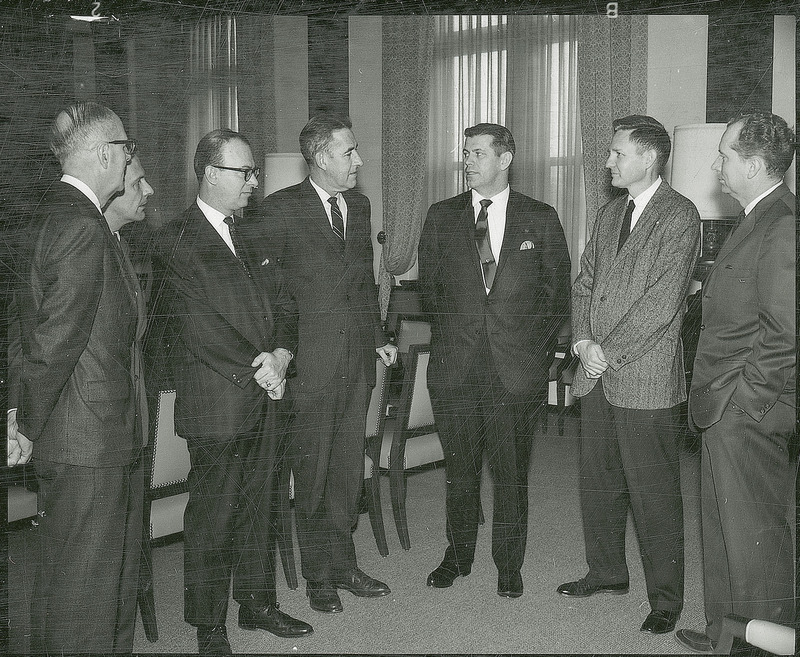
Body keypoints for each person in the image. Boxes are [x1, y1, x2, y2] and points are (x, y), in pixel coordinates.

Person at [152, 128, 312, 655]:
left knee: (262, 506)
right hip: (219, 401)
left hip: (268, 392)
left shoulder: (255, 233)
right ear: (209, 175)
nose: (254, 180)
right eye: (243, 172)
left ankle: (257, 605)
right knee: (215, 517)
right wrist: (258, 365)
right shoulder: (175, 238)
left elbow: (287, 305)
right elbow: (193, 324)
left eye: (252, 172)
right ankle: (209, 624)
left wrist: (283, 355)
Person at [243, 115, 397, 615]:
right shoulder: (280, 210)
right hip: (308, 365)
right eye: (349, 152)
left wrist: (376, 337)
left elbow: (363, 283)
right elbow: (268, 294)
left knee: (348, 472)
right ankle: (318, 576)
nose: (358, 161)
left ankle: (344, 563)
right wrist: (282, 356)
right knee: (312, 474)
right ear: (320, 157)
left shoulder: (359, 205)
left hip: (355, 363)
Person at [6, 101, 145, 653]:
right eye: (126, 148)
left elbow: (26, 332)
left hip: (70, 435)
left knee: (63, 585)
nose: (130, 157)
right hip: (86, 438)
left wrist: (20, 413)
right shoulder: (83, 226)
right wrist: (24, 425)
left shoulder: (46, 214)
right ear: (103, 154)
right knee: (85, 597)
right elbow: (55, 342)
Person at [558, 115, 700, 635]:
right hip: (596, 372)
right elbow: (584, 283)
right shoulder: (608, 212)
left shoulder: (680, 216)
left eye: (618, 153)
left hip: (644, 377)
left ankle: (666, 599)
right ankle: (607, 572)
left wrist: (605, 351)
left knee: (654, 493)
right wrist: (581, 343)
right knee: (599, 483)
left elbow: (662, 304)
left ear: (648, 158)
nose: (609, 161)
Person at [418, 123, 571, 599]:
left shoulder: (540, 217)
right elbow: (430, 292)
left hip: (514, 372)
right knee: (460, 473)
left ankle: (509, 562)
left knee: (510, 475)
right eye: (466, 152)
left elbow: (556, 295)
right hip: (456, 369)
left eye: (479, 153)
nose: (468, 161)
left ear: (506, 159)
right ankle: (458, 554)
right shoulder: (441, 216)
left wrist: (536, 358)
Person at [675, 112, 796, 654]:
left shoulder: (782, 222)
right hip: (725, 404)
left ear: (751, 164)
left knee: (756, 539)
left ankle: (761, 645)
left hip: (746, 406)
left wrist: (745, 402)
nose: (716, 162)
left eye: (724, 153)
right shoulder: (756, 218)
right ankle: (727, 634)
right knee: (724, 528)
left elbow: (784, 330)